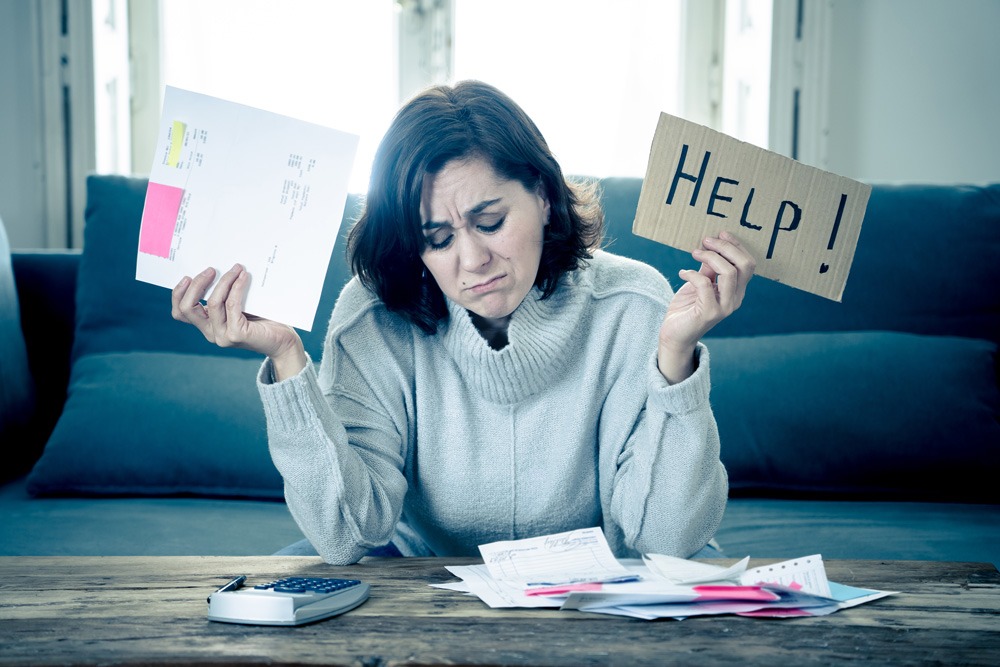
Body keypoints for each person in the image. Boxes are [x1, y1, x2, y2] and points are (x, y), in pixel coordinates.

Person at [171, 80, 755, 565]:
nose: (473, 261)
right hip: (424, 575)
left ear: (545, 197)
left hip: (596, 583)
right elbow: (348, 536)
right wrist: (288, 360)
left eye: (491, 220)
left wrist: (676, 362)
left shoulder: (635, 305)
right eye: (439, 238)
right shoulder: (372, 317)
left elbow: (668, 541)